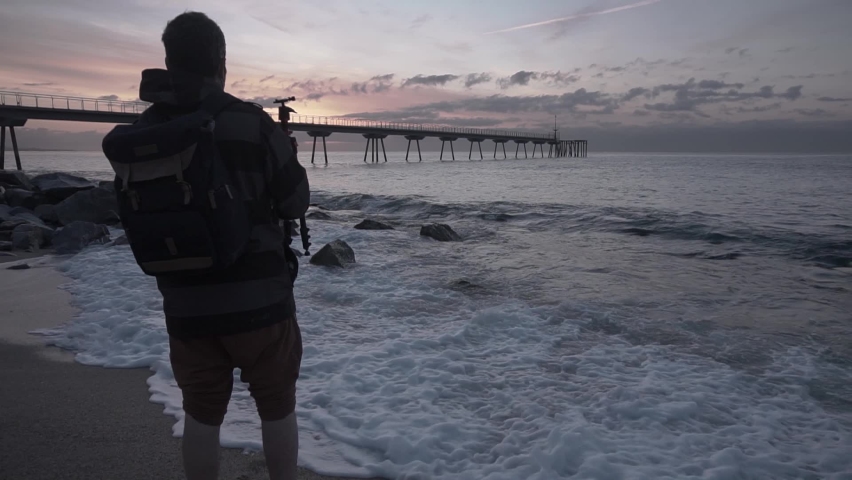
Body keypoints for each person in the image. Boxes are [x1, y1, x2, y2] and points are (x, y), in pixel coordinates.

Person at [132, 11, 309, 480]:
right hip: (260, 301)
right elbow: (295, 201)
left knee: (202, 414)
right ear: (222, 65)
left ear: (170, 63)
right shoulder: (250, 123)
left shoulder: (149, 132)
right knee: (276, 406)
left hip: (186, 302)